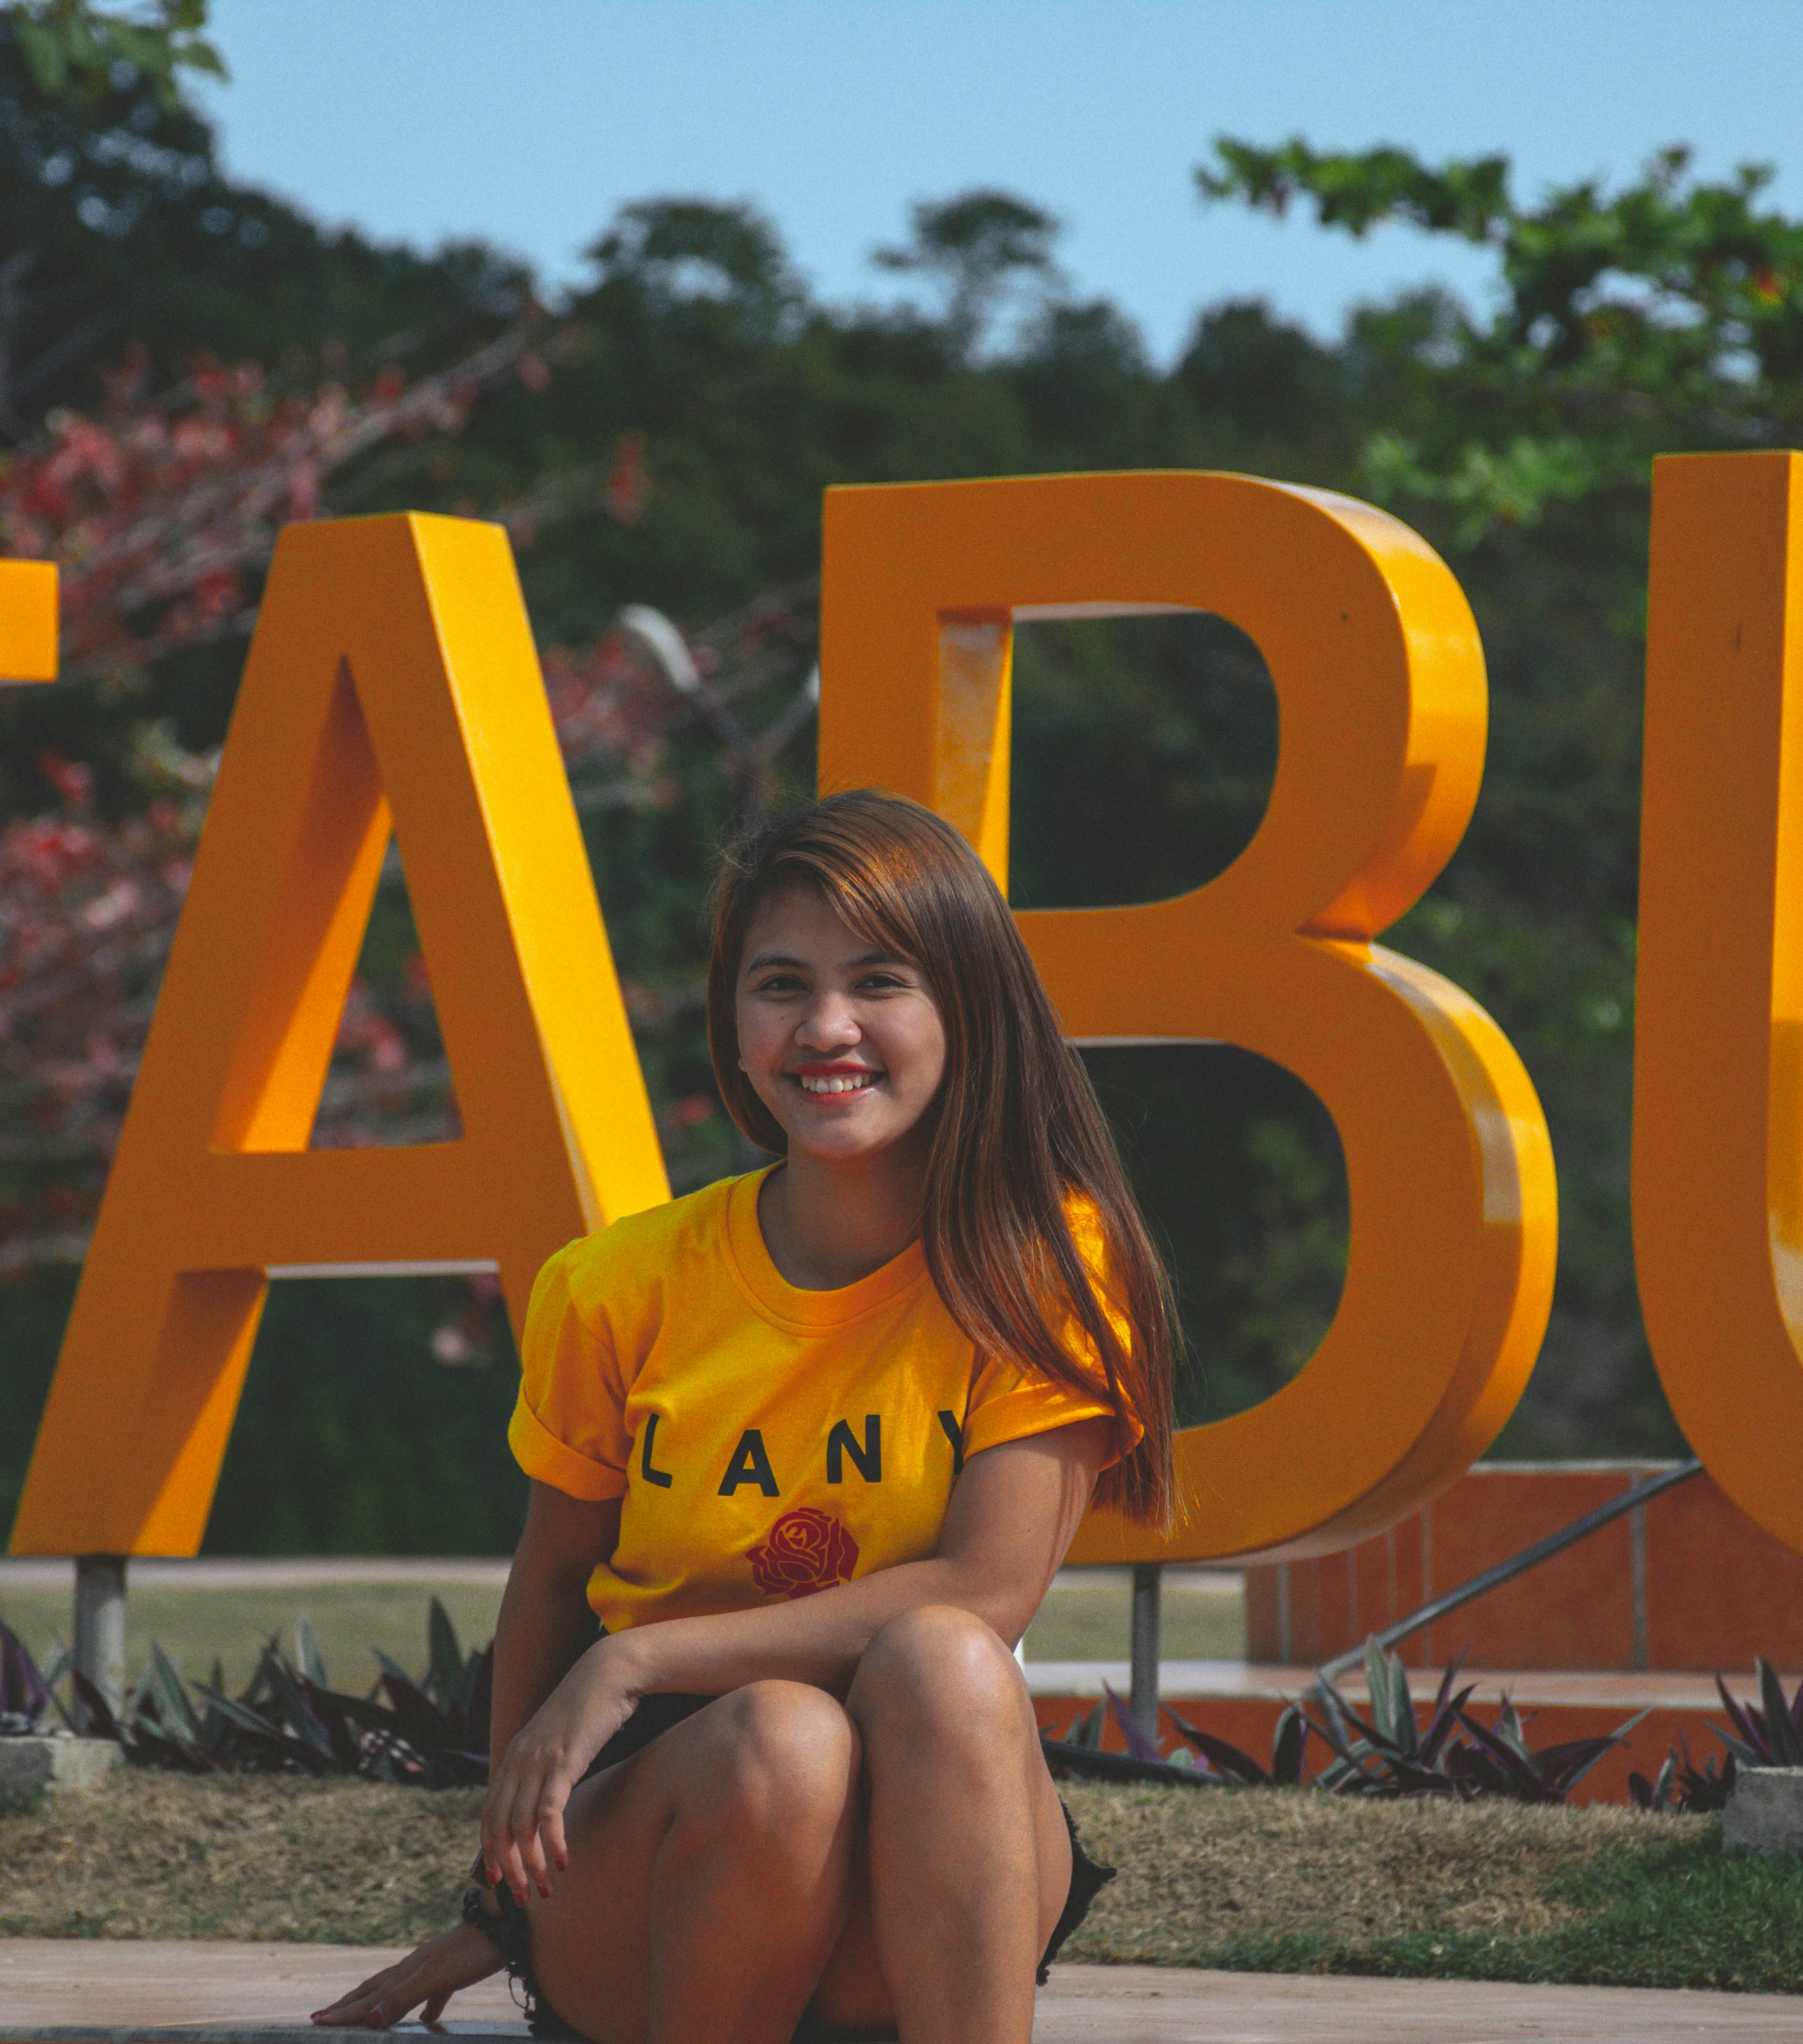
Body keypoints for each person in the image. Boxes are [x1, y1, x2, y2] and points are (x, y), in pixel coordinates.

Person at [314, 788, 1181, 2044]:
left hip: (919, 1856)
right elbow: (552, 1582)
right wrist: (504, 1900)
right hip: (677, 1830)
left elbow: (990, 1593)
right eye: (781, 984)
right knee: (783, 1738)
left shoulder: (1046, 1265)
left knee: (945, 1656)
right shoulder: (618, 1283)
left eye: (880, 980)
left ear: (969, 1009)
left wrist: (637, 1656)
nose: (827, 1027)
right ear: (733, 1020)